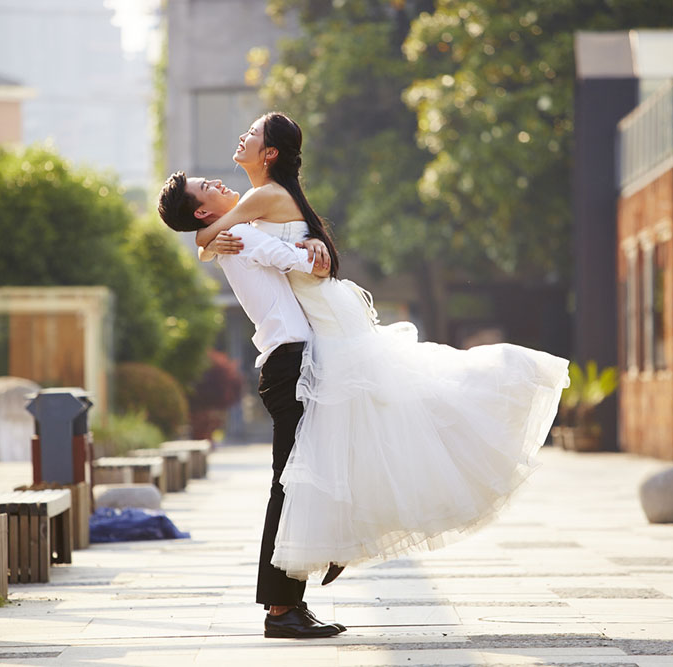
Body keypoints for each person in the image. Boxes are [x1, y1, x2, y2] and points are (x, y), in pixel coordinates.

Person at [189, 112, 571, 583]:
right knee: (363, 428)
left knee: (372, 423)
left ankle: (344, 538)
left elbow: (206, 233)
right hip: (327, 313)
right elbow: (209, 236)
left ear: (269, 154)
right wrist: (214, 244)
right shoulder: (267, 198)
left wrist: (210, 243)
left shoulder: (261, 196)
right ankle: (344, 538)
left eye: (252, 133)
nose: (242, 135)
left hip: (328, 319)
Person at [157, 172, 342, 639]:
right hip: (289, 364)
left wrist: (205, 241)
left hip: (290, 363)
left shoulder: (230, 233)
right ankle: (281, 608)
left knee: (299, 480)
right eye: (207, 186)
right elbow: (305, 265)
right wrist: (315, 249)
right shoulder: (239, 234)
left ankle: (292, 600)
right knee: (289, 485)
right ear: (203, 211)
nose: (219, 181)